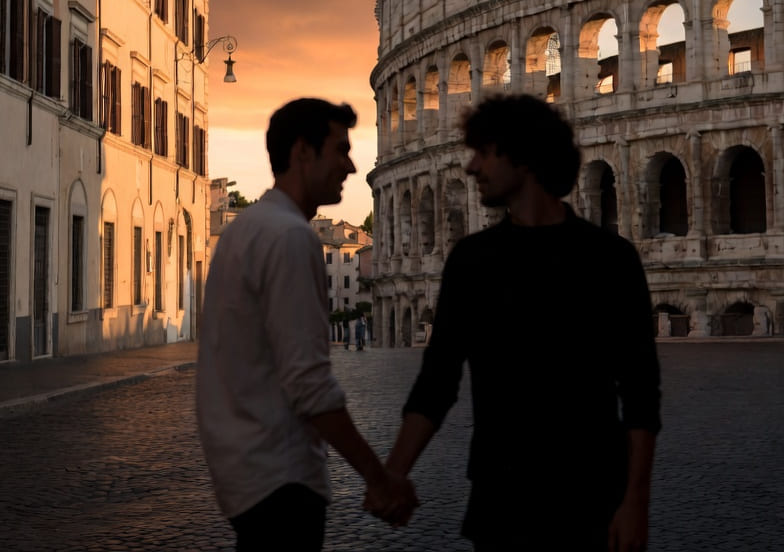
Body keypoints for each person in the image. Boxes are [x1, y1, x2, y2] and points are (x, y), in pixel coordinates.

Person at [379, 94, 661, 552]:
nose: (471, 167)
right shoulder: (472, 261)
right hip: (501, 498)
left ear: (524, 156)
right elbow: (437, 382)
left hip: (590, 501)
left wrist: (636, 502)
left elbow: (641, 393)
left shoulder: (609, 260)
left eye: (484, 152)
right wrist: (393, 472)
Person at [197, 98, 417, 551]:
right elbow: (309, 384)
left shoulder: (244, 230)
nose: (351, 166)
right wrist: (378, 477)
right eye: (339, 150)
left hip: (243, 474)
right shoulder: (291, 238)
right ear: (302, 152)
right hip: (282, 479)